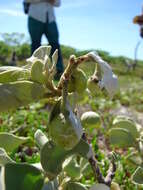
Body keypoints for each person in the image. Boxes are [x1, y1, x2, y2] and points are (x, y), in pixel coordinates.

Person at [23, 0, 64, 79]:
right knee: (35, 44)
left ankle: (59, 71)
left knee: (55, 44)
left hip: (50, 18)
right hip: (34, 17)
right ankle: (34, 70)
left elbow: (58, 3)